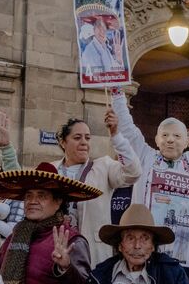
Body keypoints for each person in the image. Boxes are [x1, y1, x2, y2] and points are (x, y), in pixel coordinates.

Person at [112, 62, 189, 276]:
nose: (170, 141)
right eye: (164, 135)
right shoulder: (145, 157)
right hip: (147, 250)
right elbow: (126, 127)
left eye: (176, 136)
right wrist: (115, 87)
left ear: (187, 140)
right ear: (156, 139)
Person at [53, 105, 141, 264]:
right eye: (77, 137)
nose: (84, 142)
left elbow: (133, 172)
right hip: (55, 249)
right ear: (63, 142)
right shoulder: (51, 169)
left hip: (92, 252)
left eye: (87, 138)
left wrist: (116, 136)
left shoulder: (103, 166)